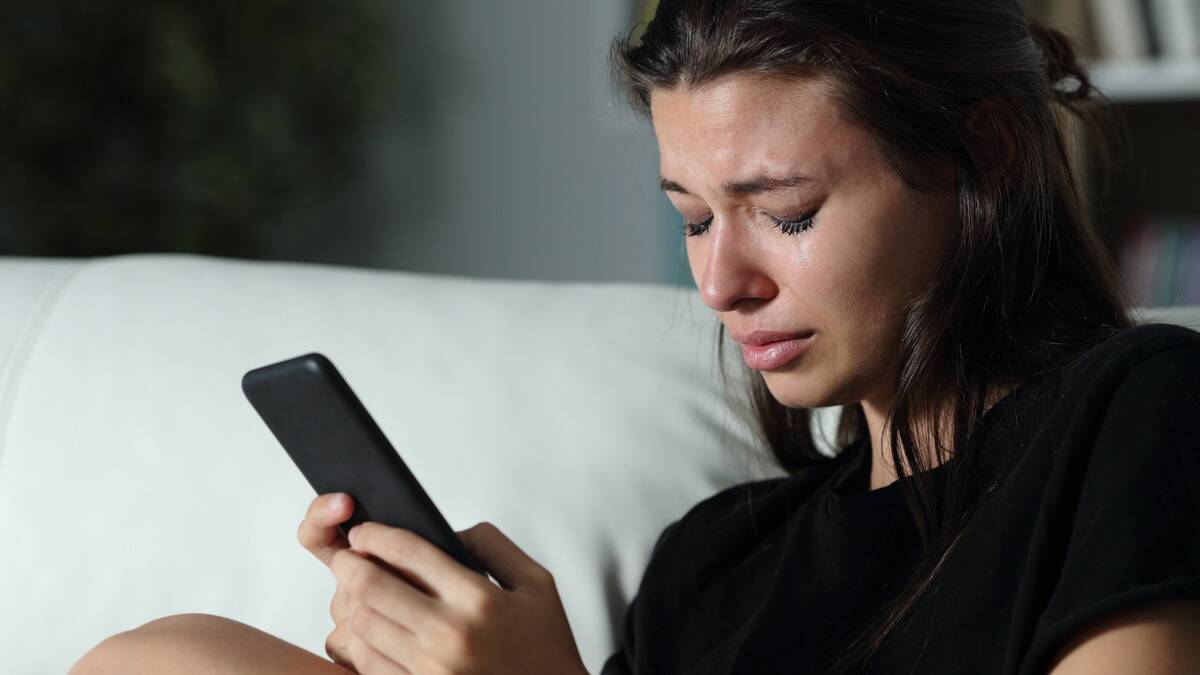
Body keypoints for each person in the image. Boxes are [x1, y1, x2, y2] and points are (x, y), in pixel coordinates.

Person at [69, 1, 1200, 674]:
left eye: (788, 211)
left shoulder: (1136, 414)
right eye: (694, 219)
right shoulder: (716, 561)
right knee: (172, 657)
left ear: (987, 156)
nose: (722, 282)